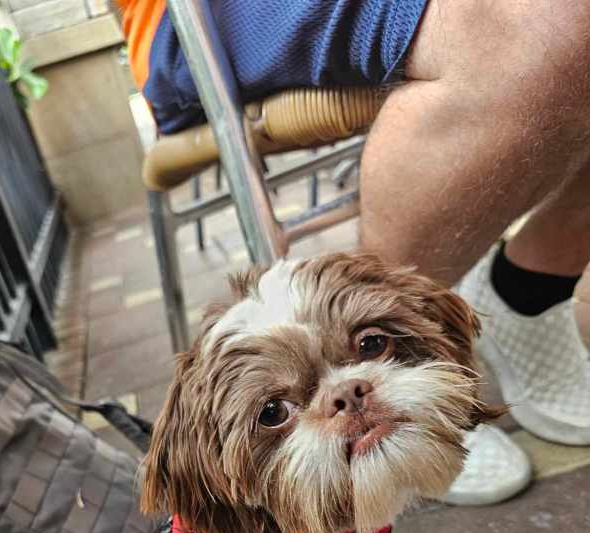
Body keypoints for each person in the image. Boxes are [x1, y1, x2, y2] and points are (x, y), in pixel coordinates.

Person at [117, 0, 590, 505]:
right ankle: (449, 360)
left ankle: (525, 292)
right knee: (550, 23)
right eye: (275, 413)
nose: (348, 396)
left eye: (372, 346)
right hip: (188, 21)